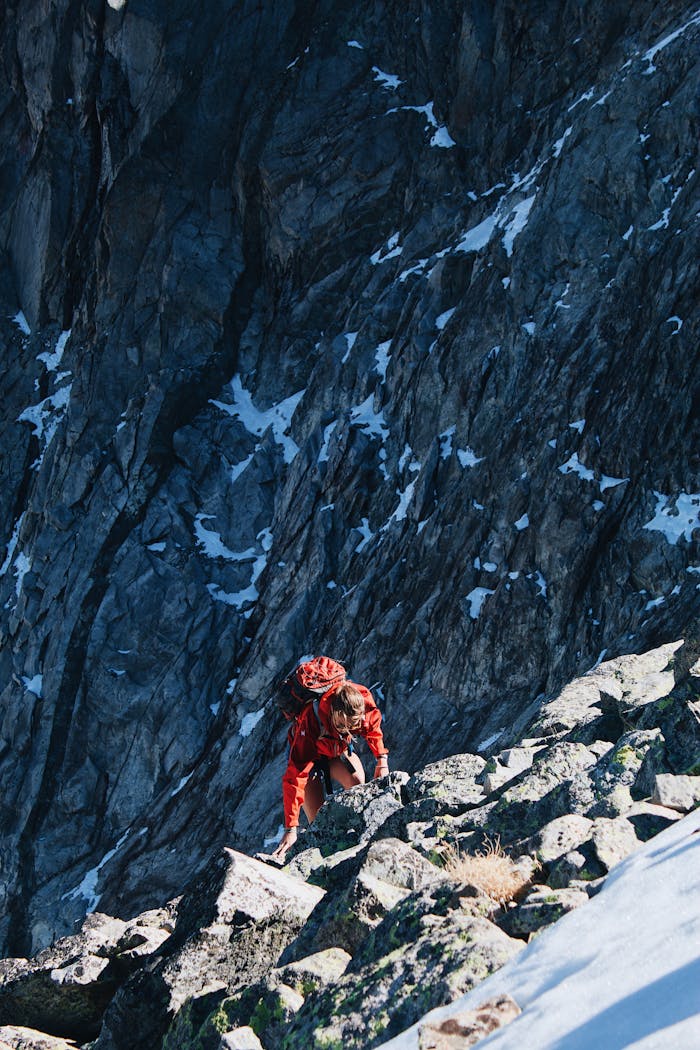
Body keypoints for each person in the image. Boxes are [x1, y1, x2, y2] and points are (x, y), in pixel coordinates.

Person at [271, 659, 389, 861]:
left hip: (335, 751)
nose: (350, 730)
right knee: (319, 821)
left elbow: (373, 728)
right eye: (343, 726)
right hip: (311, 758)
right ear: (334, 715)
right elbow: (295, 778)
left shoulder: (361, 700)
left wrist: (382, 760)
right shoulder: (311, 721)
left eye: (354, 726)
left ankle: (359, 834)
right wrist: (291, 829)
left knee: (357, 785)